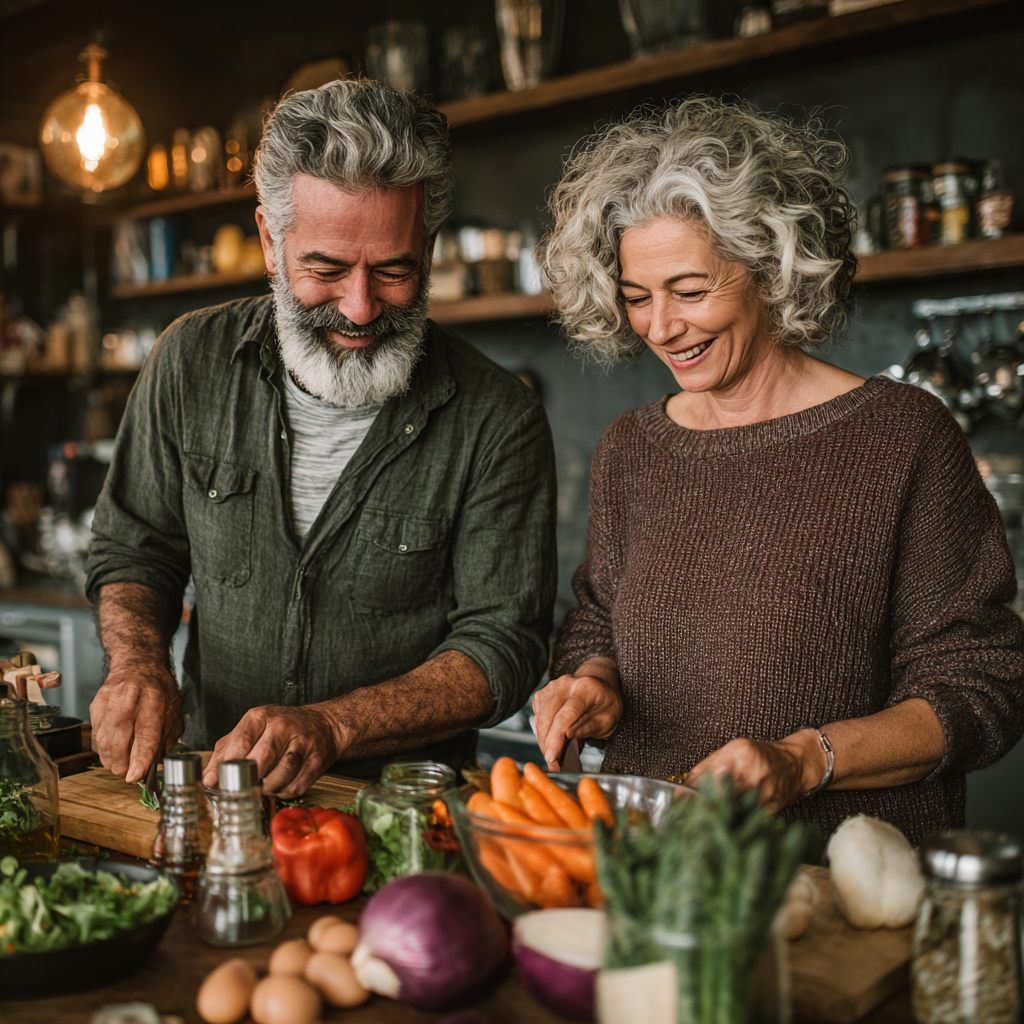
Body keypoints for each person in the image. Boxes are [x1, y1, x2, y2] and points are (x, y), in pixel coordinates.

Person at [532, 96, 1024, 843]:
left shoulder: (900, 437)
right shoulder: (632, 447)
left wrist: (802, 761)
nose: (661, 326)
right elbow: (598, 617)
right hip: (652, 864)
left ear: (770, 265)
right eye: (637, 297)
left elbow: (981, 684)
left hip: (840, 880)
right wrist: (592, 683)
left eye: (690, 291)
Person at [85, 80, 556, 797]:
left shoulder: (498, 416)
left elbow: (504, 645)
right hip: (214, 796)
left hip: (399, 815)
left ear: (427, 248)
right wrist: (139, 663)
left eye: (394, 270)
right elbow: (134, 547)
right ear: (272, 242)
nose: (360, 307)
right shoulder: (190, 361)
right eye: (327, 269)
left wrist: (333, 725)